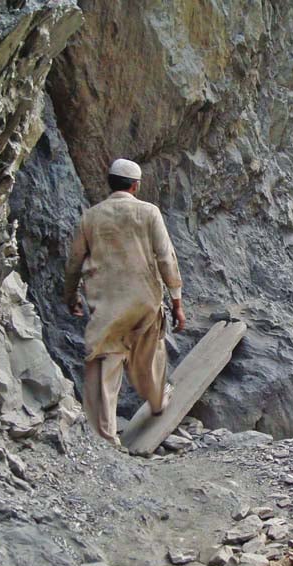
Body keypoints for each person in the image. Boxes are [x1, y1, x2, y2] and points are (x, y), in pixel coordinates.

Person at [64, 158, 185, 446]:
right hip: (144, 300)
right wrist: (177, 300)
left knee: (104, 360)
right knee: (149, 356)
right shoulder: (149, 212)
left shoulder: (90, 217)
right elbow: (166, 258)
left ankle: (105, 437)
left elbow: (73, 262)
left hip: (106, 303)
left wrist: (71, 295)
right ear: (135, 185)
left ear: (110, 183)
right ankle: (157, 401)